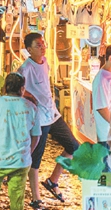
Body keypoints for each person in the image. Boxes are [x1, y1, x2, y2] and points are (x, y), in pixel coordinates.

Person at [17, 32, 79, 207]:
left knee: (73, 146)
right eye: (38, 45)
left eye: (43, 44)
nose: (43, 47)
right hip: (38, 118)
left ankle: (53, 180)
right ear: (29, 49)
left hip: (52, 114)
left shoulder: (45, 63)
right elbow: (17, 89)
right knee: (36, 158)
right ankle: (35, 197)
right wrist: (30, 96)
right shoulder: (25, 68)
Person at [0, 73, 41, 210]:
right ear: (22, 88)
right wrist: (28, 152)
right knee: (17, 199)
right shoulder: (31, 107)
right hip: (20, 161)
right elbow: (36, 136)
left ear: (5, 87)